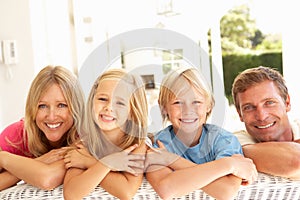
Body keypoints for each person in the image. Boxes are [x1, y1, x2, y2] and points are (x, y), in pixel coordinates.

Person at [145, 67, 257, 200]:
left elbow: (226, 191)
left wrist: (171, 160)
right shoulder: (156, 144)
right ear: (164, 108)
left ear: (209, 105)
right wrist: (229, 165)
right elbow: (167, 189)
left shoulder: (224, 140)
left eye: (196, 102)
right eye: (177, 103)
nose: (188, 110)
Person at [63, 68, 148, 200]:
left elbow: (126, 192)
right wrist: (108, 163)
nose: (109, 107)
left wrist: (92, 162)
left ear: (132, 111)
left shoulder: (137, 146)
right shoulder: (84, 145)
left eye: (119, 103)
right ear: (92, 102)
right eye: (102, 99)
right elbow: (72, 194)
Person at [0, 65, 85, 191]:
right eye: (42, 106)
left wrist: (4, 158)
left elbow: (47, 179)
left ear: (76, 107)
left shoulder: (85, 135)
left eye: (61, 105)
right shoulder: (17, 135)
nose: (51, 116)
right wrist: (41, 161)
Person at [232, 66, 300, 179]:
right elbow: (296, 161)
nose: (261, 116)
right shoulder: (235, 141)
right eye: (248, 107)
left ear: (287, 103)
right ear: (240, 114)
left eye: (269, 103)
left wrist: (241, 152)